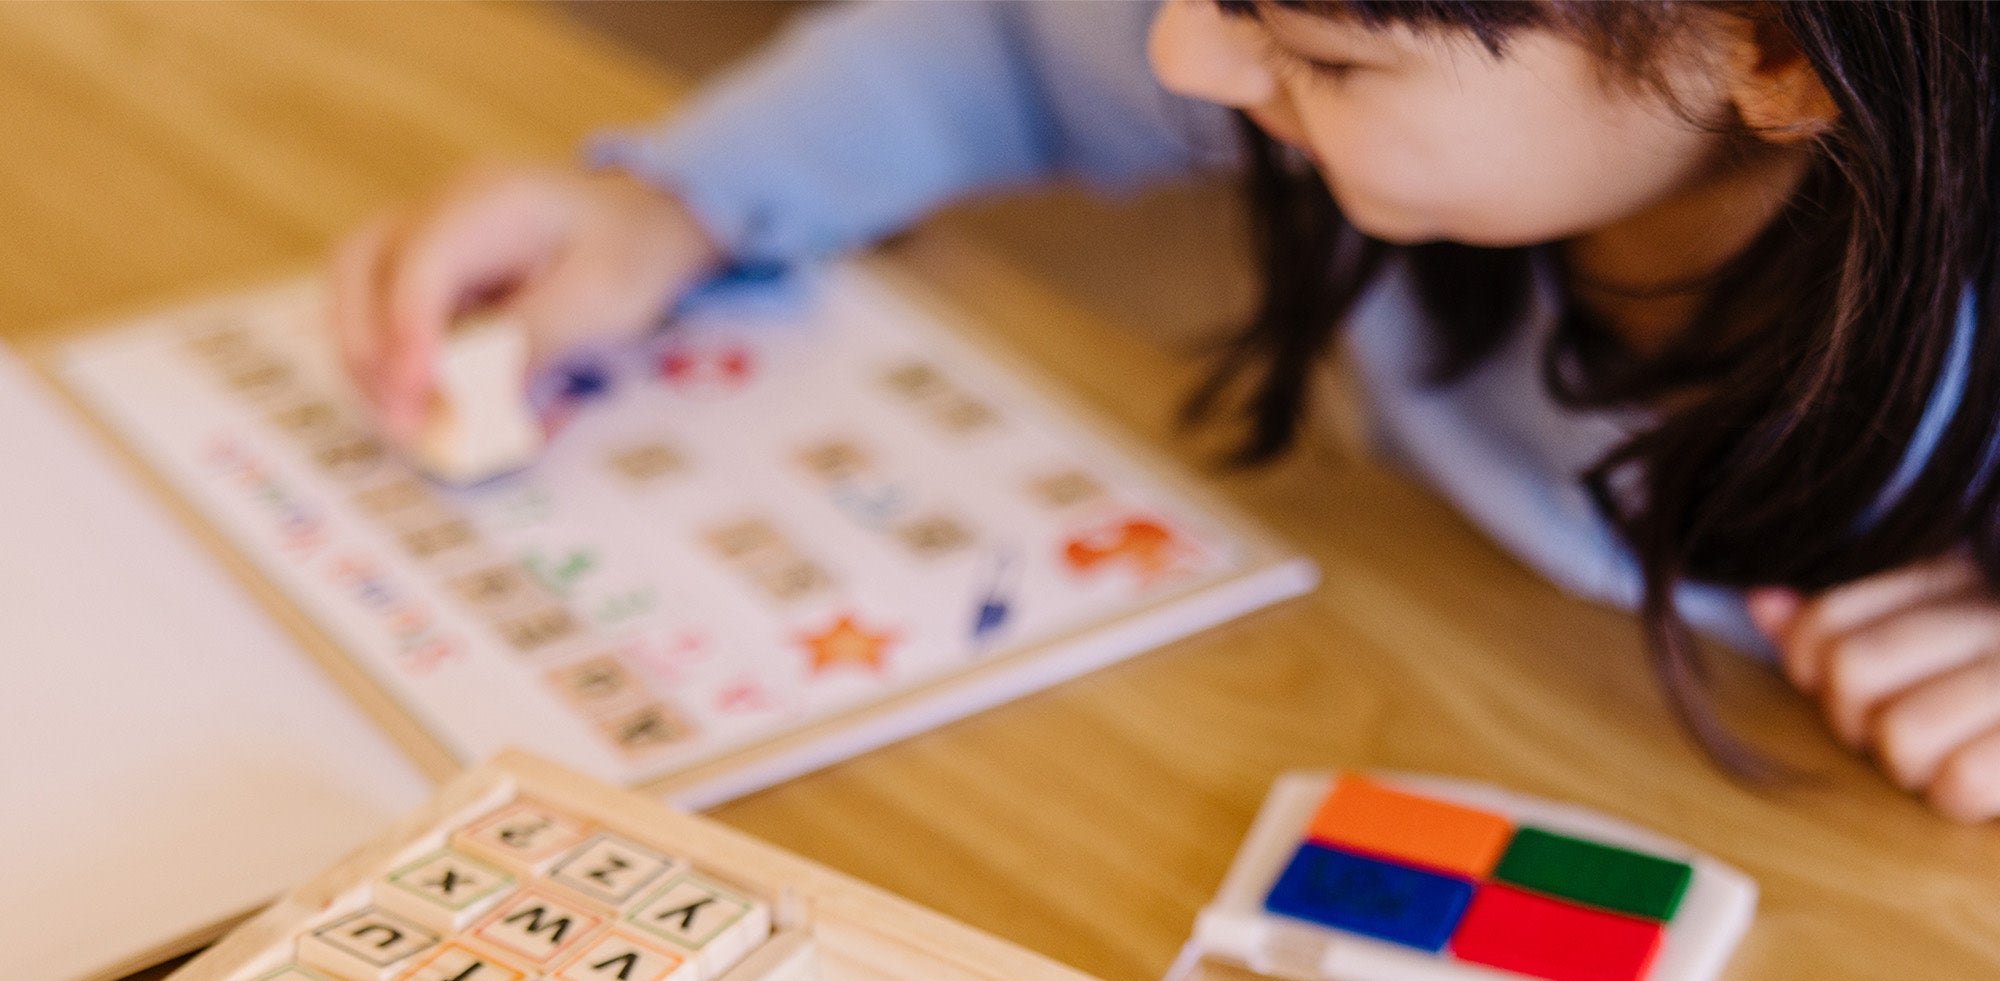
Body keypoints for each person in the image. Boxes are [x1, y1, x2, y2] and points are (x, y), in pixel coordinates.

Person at [329, 0, 2000, 819]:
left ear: (1779, 56)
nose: (1185, 54)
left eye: (1324, 58)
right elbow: (1001, 43)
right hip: (1410, 676)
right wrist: (679, 204)